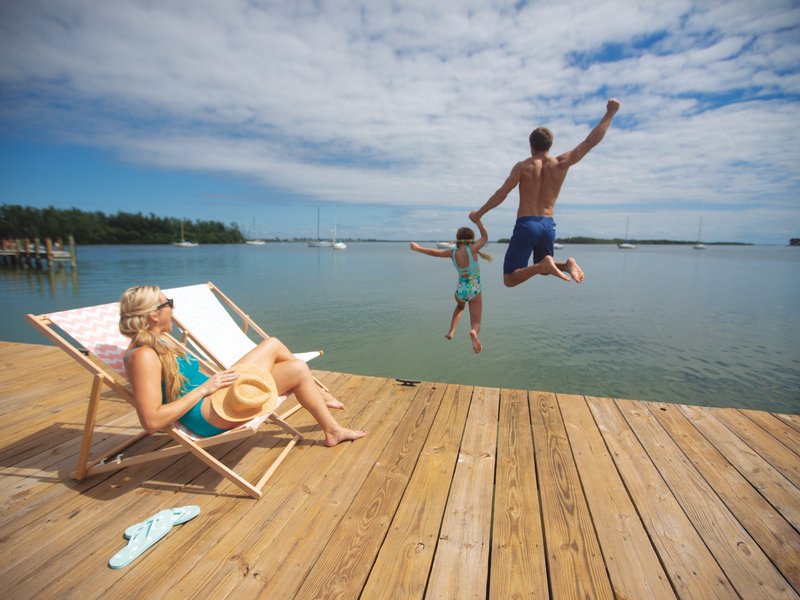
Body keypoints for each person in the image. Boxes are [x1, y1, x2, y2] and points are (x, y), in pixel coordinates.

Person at [118, 285, 366, 446]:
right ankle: (327, 413)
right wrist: (204, 389)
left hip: (214, 393)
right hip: (207, 413)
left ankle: (331, 425)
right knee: (288, 359)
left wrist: (211, 385)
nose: (173, 308)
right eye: (168, 303)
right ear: (153, 315)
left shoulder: (158, 342)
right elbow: (151, 422)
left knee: (287, 357)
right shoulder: (144, 356)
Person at [470, 98, 621, 287]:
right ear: (550, 145)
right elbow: (590, 142)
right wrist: (610, 113)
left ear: (531, 145)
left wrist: (479, 214)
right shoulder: (560, 163)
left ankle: (545, 265)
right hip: (548, 225)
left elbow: (502, 193)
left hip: (527, 224)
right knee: (542, 267)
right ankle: (566, 265)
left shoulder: (523, 167)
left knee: (509, 278)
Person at [409, 217, 491, 353]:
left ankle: (451, 331)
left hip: (460, 291)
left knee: (460, 307)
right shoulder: (473, 250)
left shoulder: (452, 253)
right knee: (476, 321)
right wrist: (478, 220)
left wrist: (418, 248)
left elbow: (434, 252)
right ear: (471, 239)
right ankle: (473, 332)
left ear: (458, 239)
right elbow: (485, 236)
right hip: (475, 290)